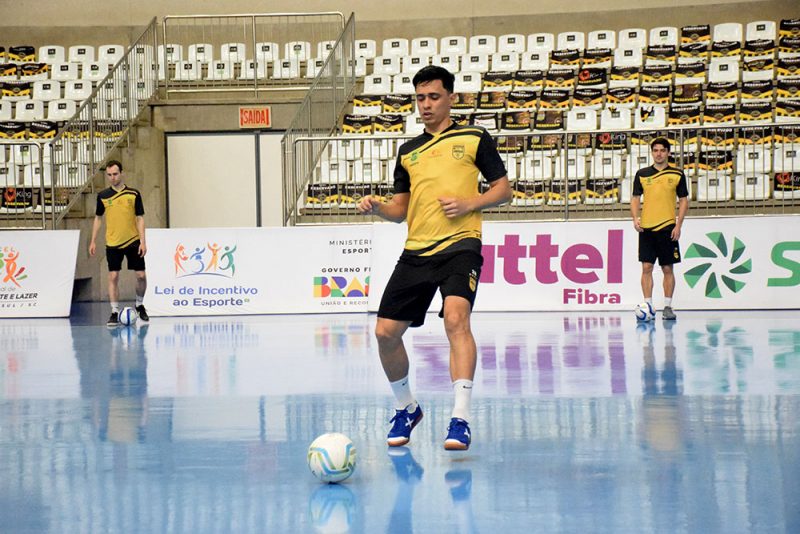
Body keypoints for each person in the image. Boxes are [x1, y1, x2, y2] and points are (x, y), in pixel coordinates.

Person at [358, 65, 512, 451]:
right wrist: (378, 206)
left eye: (433, 97)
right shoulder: (407, 152)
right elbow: (400, 210)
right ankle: (406, 407)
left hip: (461, 245)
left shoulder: (475, 137)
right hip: (417, 251)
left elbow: (504, 190)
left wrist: (470, 203)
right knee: (385, 334)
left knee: (457, 320)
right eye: (420, 98)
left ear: (451, 98)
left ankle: (460, 418)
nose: (426, 105)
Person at [630, 137, 689, 321]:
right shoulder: (642, 174)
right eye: (655, 150)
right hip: (647, 228)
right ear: (652, 153)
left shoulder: (677, 174)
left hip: (667, 228)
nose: (659, 153)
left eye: (662, 150)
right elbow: (635, 197)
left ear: (668, 152)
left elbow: (684, 200)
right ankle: (648, 305)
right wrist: (634, 218)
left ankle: (668, 307)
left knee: (667, 268)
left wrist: (678, 224)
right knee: (646, 267)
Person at [89, 160, 150, 327]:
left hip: (133, 241)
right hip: (113, 243)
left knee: (141, 276)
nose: (112, 178)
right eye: (109, 175)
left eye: (115, 174)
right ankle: (114, 312)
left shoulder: (134, 194)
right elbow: (98, 219)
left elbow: (140, 218)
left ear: (121, 173)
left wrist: (143, 242)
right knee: (113, 276)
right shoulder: (102, 196)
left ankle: (139, 304)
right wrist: (93, 240)